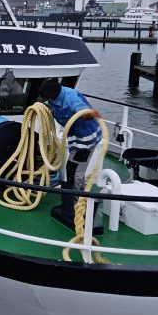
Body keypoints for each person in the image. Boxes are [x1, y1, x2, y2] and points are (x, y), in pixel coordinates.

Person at [37, 79, 102, 230]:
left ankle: (78, 206)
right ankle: (76, 202)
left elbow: (85, 112)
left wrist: (88, 114)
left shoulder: (71, 98)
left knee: (74, 172)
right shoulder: (56, 95)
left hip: (85, 142)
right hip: (76, 140)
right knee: (72, 170)